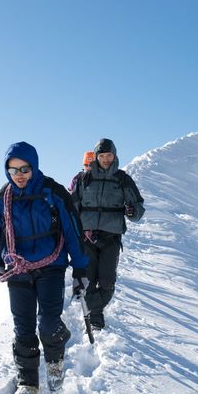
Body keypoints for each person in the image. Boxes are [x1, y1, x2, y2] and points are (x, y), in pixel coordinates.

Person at [0, 141, 89, 394]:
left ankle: (54, 363)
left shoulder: (52, 193)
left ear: (35, 167)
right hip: (18, 268)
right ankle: (28, 381)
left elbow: (73, 230)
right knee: (24, 327)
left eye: (24, 168)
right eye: (13, 170)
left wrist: (80, 267)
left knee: (49, 322)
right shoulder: (3, 198)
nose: (19, 175)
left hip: (51, 267)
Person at [70, 138, 145, 330]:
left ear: (115, 156)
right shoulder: (83, 179)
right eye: (102, 155)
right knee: (88, 280)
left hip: (111, 238)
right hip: (86, 238)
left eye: (109, 155)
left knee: (107, 282)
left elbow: (138, 208)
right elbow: (71, 206)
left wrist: (132, 211)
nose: (105, 159)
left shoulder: (123, 179)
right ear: (96, 156)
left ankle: (92, 307)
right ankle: (96, 316)